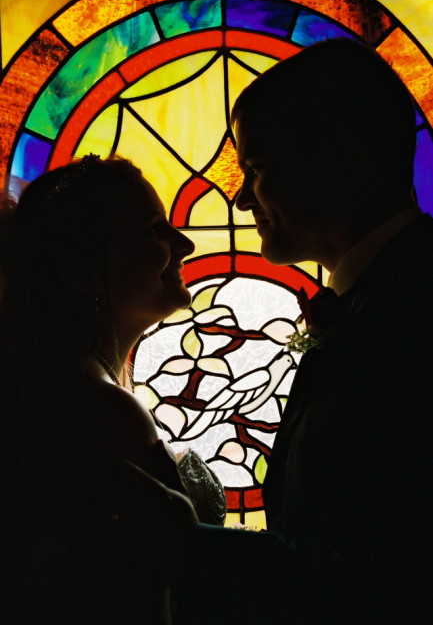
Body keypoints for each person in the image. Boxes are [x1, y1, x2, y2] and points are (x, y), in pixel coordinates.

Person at [231, 38, 433, 623]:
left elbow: (377, 565)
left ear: (338, 158)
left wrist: (185, 550)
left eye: (256, 169)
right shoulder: (376, 295)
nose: (243, 201)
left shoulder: (410, 312)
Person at [0, 156, 217, 624]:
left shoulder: (71, 387)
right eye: (153, 231)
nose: (184, 243)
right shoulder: (102, 413)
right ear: (80, 272)